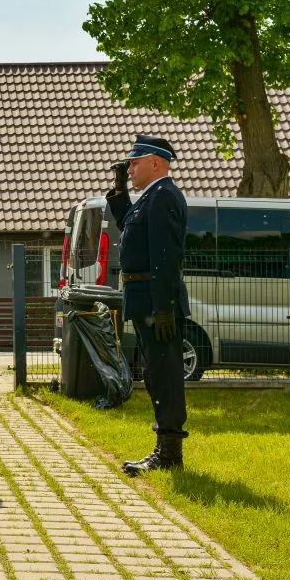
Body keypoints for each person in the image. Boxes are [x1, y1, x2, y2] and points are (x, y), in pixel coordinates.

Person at [106, 134, 189, 475]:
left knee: (166, 376)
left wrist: (164, 307)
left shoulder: (164, 196)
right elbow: (130, 230)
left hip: (158, 304)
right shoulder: (150, 198)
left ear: (156, 163)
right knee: (156, 374)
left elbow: (166, 257)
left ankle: (169, 454)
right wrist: (120, 191)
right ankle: (163, 450)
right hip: (146, 303)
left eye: (135, 163)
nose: (130, 167)